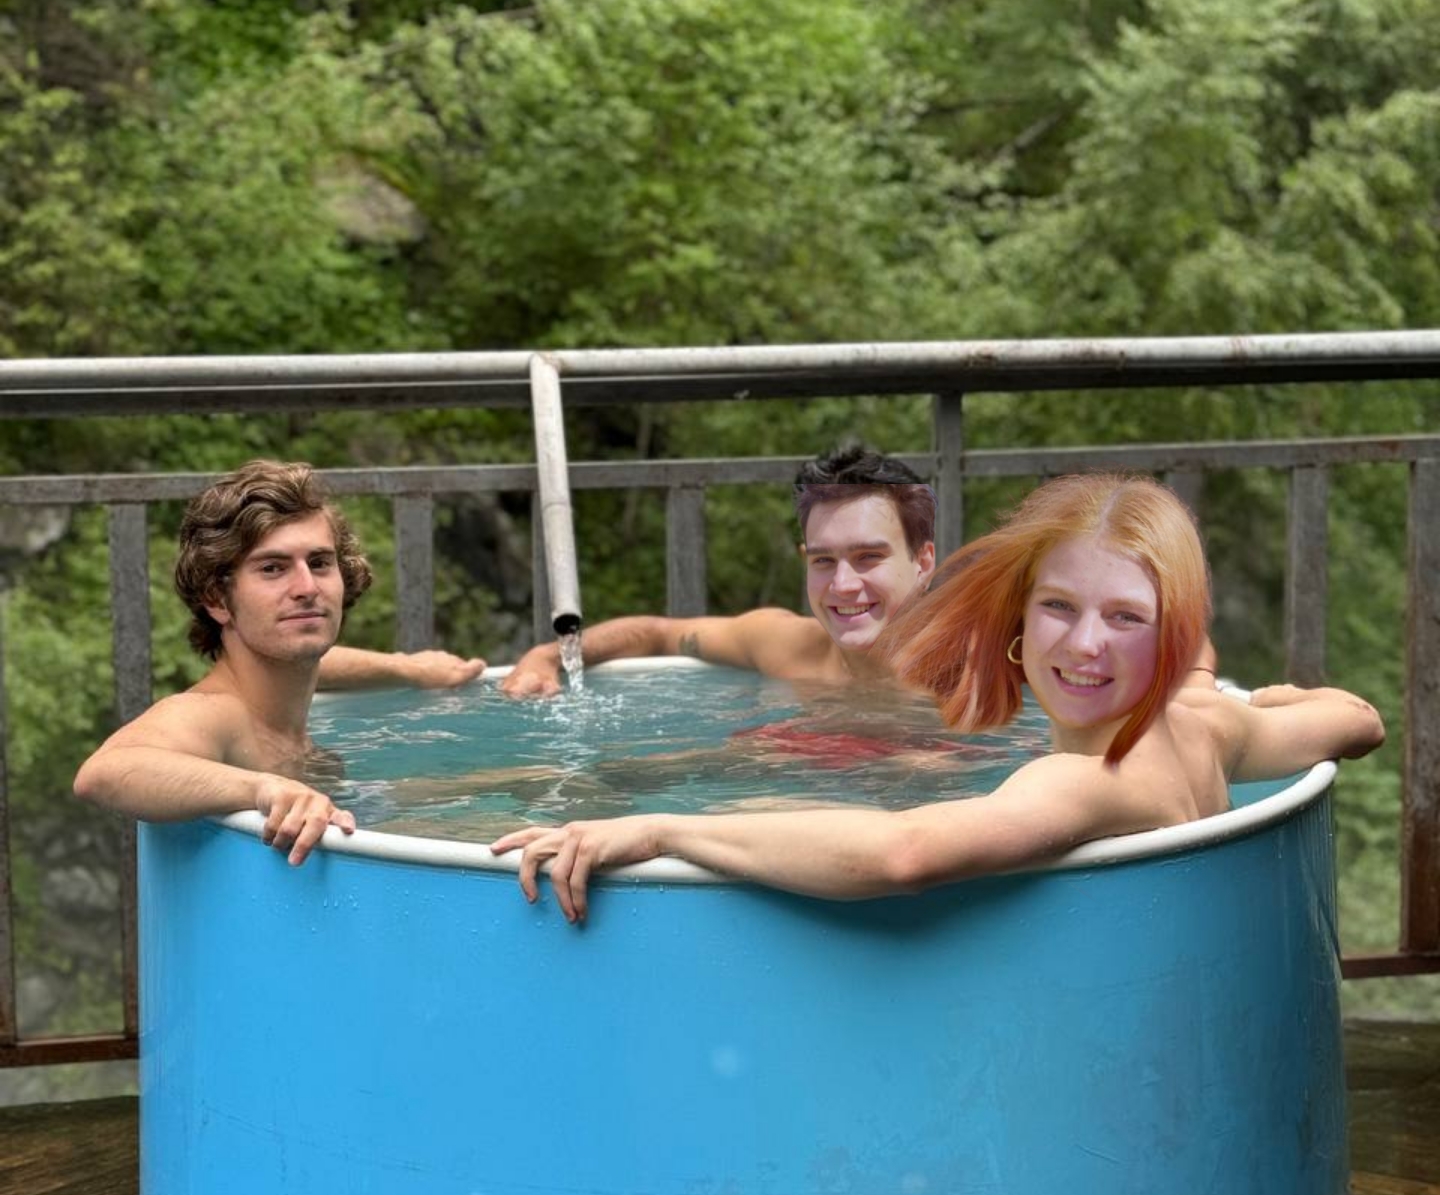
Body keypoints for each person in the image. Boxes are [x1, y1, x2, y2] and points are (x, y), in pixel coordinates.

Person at [492, 473, 1384, 922]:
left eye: (1125, 618)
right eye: (1059, 608)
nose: (1084, 645)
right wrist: (1272, 697)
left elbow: (904, 854)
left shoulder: (1089, 780)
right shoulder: (1205, 723)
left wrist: (660, 831)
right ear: (1019, 616)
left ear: (1173, 632)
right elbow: (1357, 721)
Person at [74, 459, 483, 865]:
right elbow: (105, 771)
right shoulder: (216, 714)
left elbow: (320, 663)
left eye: (319, 563)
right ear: (217, 599)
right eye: (272, 568)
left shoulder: (282, 686)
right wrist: (264, 789)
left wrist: (407, 668)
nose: (307, 587)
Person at [499, 445, 938, 695]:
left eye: (868, 557)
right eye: (823, 560)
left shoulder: (964, 674)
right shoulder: (785, 647)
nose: (842, 585)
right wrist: (548, 656)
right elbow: (658, 633)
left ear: (923, 562)